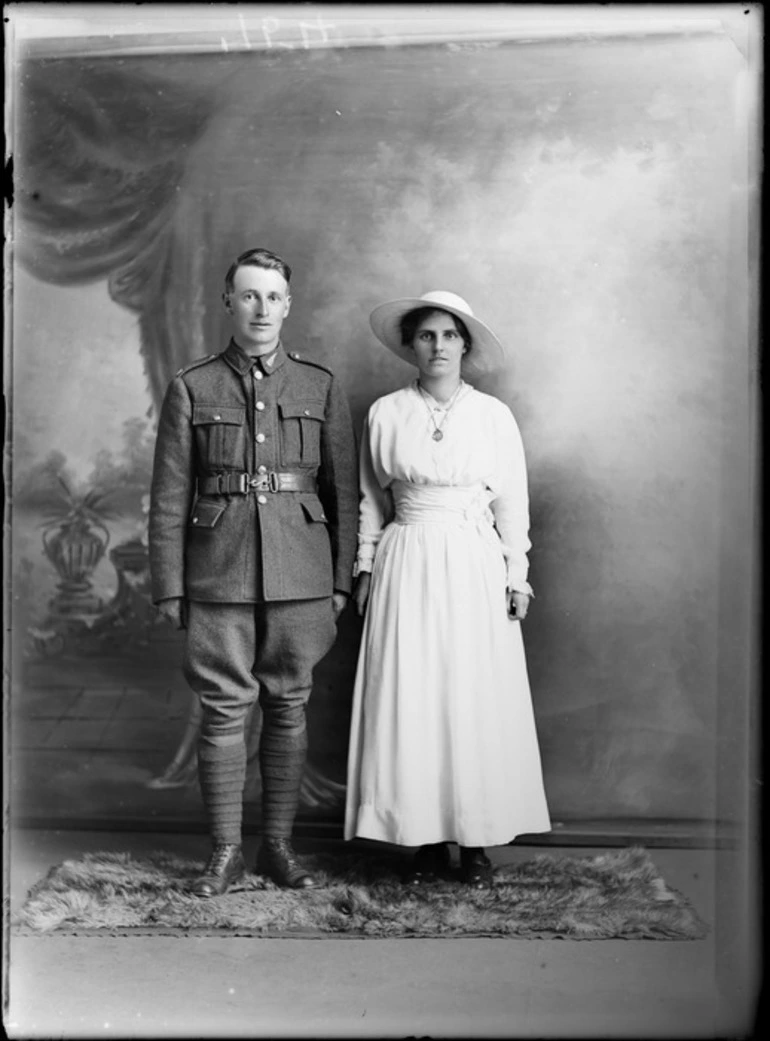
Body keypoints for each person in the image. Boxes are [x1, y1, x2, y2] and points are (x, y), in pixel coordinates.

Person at [149, 247, 358, 896]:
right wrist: (170, 584)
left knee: (289, 707)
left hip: (301, 572)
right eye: (248, 295)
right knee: (221, 711)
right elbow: (168, 495)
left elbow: (341, 492)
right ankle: (224, 852)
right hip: (219, 573)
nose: (261, 308)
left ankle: (278, 847)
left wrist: (342, 579)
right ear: (228, 302)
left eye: (273, 297)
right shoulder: (193, 384)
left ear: (287, 305)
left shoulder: (319, 384)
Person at [344, 290, 551, 887]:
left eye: (449, 336)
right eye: (427, 336)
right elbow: (369, 500)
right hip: (406, 557)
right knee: (415, 694)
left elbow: (512, 505)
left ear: (465, 344)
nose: (438, 346)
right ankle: (425, 839)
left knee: (471, 694)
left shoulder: (492, 416)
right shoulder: (385, 413)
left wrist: (518, 576)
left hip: (472, 560)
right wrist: (365, 567)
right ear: (412, 345)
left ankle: (476, 840)